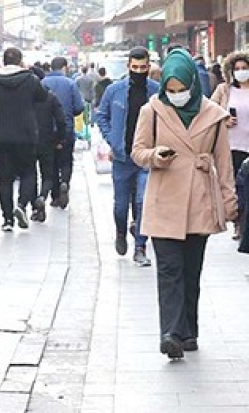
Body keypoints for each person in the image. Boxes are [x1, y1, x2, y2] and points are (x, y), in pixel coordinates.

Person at [132, 48, 237, 360]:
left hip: (199, 199)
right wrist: (155, 155)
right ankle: (171, 334)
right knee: (169, 269)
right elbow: (138, 150)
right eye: (171, 89)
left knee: (191, 271)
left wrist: (229, 202)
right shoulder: (152, 110)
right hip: (164, 199)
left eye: (181, 89)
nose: (176, 95)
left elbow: (224, 162)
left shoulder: (213, 115)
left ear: (193, 83)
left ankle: (188, 332)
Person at [97, 46, 159, 267]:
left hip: (146, 157)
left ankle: (140, 247)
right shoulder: (114, 90)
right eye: (135, 67)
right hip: (122, 157)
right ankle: (121, 232)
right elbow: (101, 115)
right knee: (121, 205)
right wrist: (112, 139)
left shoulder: (156, 91)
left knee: (143, 202)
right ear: (128, 66)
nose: (139, 71)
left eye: (143, 67)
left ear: (148, 66)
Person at [0, 47, 48, 231]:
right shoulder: (30, 80)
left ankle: (7, 219)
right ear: (20, 60)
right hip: (26, 135)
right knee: (28, 173)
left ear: (3, 61)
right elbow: (43, 96)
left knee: (4, 178)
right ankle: (22, 205)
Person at [211, 52, 249, 239]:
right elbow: (209, 111)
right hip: (232, 146)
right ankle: (239, 223)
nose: (241, 72)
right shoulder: (224, 90)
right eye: (237, 69)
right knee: (236, 187)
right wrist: (223, 119)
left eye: (245, 68)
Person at [42, 56, 84, 209]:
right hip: (66, 128)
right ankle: (65, 182)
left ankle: (55, 195)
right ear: (64, 67)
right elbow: (79, 107)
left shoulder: (42, 83)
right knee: (66, 160)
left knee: (51, 163)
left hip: (47, 130)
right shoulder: (70, 83)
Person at [32, 88, 66, 222]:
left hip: (28, 141)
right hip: (47, 141)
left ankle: (35, 207)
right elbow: (61, 120)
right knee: (48, 175)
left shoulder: (26, 97)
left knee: (30, 175)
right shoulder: (50, 97)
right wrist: (59, 139)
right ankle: (43, 196)